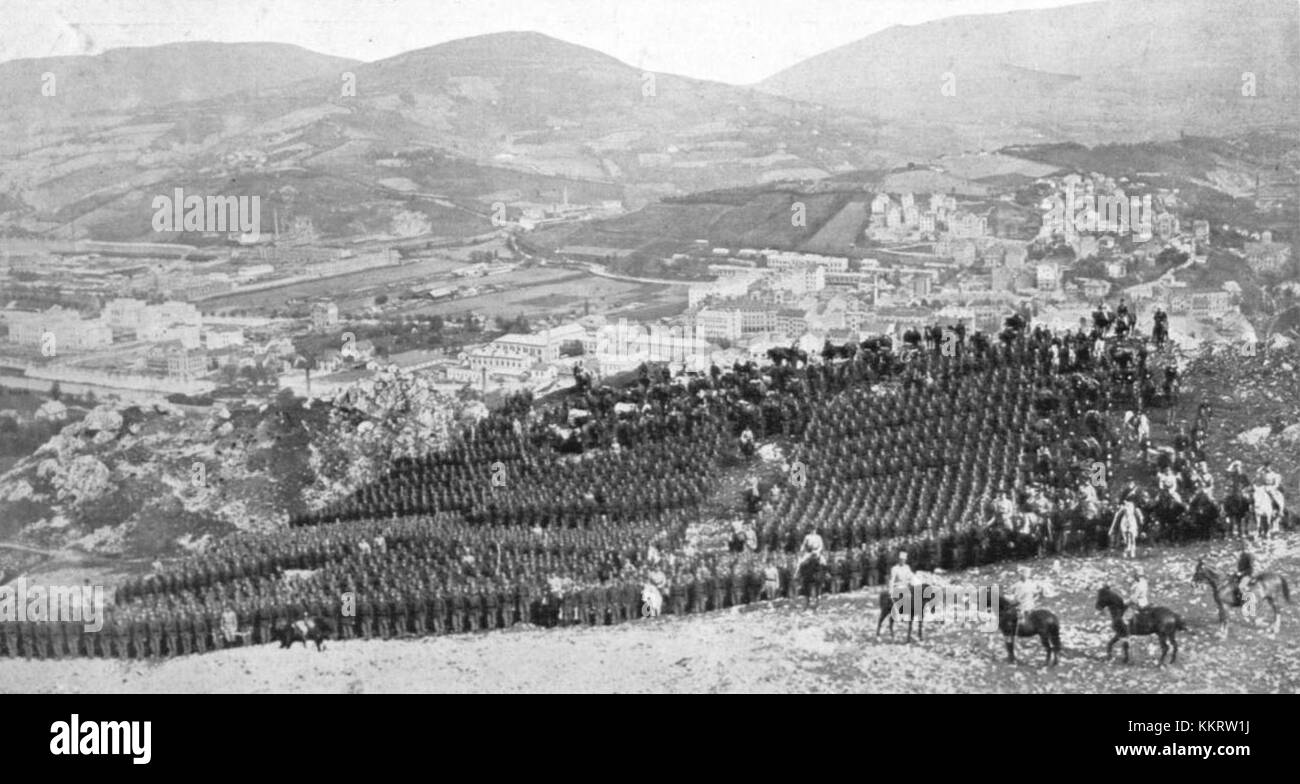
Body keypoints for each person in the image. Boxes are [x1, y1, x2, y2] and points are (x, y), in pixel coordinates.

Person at [1233, 544, 1256, 610]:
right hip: (1241, 575)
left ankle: (1248, 602)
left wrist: (1241, 573)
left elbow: (1250, 568)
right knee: (1232, 584)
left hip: (1248, 575)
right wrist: (1235, 573)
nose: (1237, 552)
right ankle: (1238, 601)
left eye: (1239, 551)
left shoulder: (1247, 556)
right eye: (1237, 551)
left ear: (1242, 551)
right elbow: (1239, 569)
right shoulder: (1240, 557)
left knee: (1241, 587)